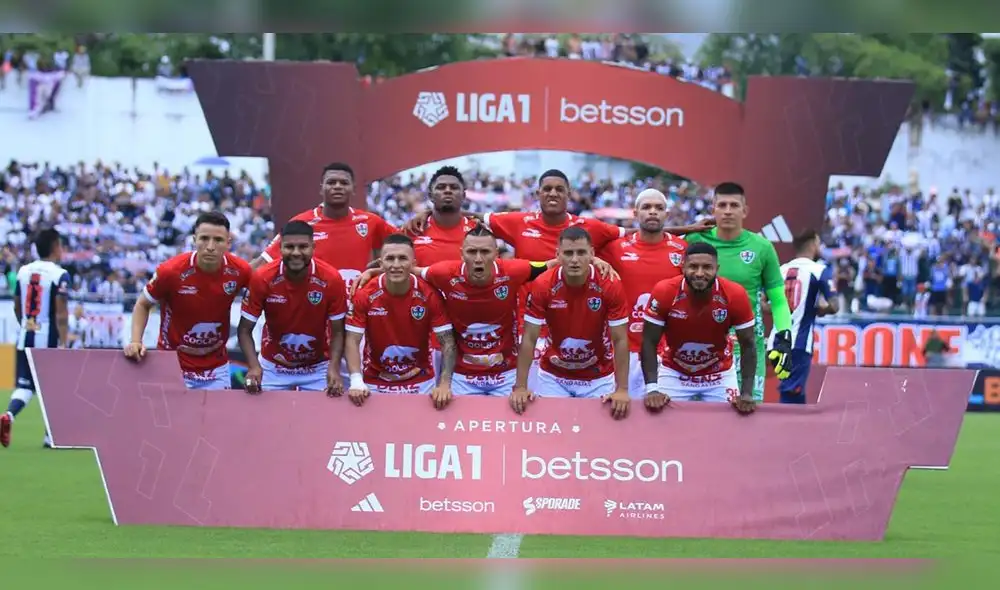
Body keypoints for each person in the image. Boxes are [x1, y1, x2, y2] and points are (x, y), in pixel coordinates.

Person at [685, 182, 793, 402]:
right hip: (701, 346)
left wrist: (784, 337)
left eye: (734, 205)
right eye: (722, 205)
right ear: (713, 209)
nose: (727, 211)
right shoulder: (693, 240)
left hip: (747, 346)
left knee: (747, 412)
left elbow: (778, 300)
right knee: (698, 417)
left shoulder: (762, 247)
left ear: (744, 211)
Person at [513, 226, 631, 419]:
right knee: (552, 431)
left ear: (592, 254)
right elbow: (529, 338)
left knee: (596, 433)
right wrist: (520, 387)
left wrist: (622, 389)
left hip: (598, 377)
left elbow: (620, 339)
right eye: (568, 253)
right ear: (558, 255)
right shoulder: (543, 284)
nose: (575, 260)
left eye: (581, 253)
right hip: (553, 377)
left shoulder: (609, 283)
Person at [125, 212, 253, 390]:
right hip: (171, 363)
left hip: (216, 369)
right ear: (194, 240)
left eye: (218, 240)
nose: (210, 246)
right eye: (204, 238)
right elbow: (142, 304)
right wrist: (135, 341)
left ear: (228, 243)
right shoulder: (170, 271)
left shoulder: (241, 271)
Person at [640, 242, 757, 414]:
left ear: (717, 269)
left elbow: (748, 344)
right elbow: (649, 341)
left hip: (719, 373)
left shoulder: (735, 294)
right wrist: (652, 389)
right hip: (674, 371)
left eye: (707, 267)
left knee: (730, 424)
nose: (700, 273)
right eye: (693, 267)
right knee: (660, 420)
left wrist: (746, 393)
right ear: (683, 267)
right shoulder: (665, 291)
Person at [345, 234, 456, 408]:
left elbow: (447, 341)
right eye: (390, 258)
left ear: (413, 263)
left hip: (421, 382)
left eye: (403, 258)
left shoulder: (430, 294)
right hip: (375, 382)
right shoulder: (364, 295)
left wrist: (444, 384)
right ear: (381, 264)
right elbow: (352, 340)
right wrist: (356, 380)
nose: (396, 265)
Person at [238, 221, 348, 393]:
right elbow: (244, 330)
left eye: (303, 247)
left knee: (327, 410)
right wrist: (253, 367)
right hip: (273, 366)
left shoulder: (331, 278)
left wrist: (334, 368)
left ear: (313, 247)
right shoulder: (262, 277)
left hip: (318, 368)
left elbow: (339, 332)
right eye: (289, 247)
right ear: (280, 248)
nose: (296, 253)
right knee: (260, 410)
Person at [598, 188, 687, 398]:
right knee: (620, 411)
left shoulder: (682, 249)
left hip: (666, 353)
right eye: (646, 207)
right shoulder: (615, 249)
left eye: (659, 208)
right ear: (635, 213)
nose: (653, 211)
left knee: (662, 413)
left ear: (667, 214)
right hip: (624, 351)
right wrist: (595, 259)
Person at [251, 163, 396, 291]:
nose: (337, 186)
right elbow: (261, 264)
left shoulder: (371, 221)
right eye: (331, 182)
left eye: (344, 183)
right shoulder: (301, 223)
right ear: (321, 188)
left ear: (353, 189)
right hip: (316, 306)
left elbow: (405, 244)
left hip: (356, 307)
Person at [1, 229, 70, 448]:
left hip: (25, 337)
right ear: (55, 247)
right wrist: (64, 342)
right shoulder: (59, 274)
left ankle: (9, 415)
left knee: (25, 385)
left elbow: (17, 305)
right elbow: (61, 313)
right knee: (56, 388)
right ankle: (50, 436)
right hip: (47, 341)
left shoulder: (23, 271)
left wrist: (26, 324)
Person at [410, 166, 478, 378]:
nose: (447, 191)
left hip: (467, 335)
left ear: (464, 195)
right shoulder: (413, 230)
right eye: (441, 187)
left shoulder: (479, 232)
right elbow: (392, 264)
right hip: (421, 333)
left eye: (453, 187)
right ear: (431, 195)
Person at [767, 230, 837, 404]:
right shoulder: (819, 270)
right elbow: (835, 306)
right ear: (813, 244)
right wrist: (820, 309)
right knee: (792, 395)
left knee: (793, 390)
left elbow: (763, 304)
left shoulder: (781, 270)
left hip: (775, 341)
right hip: (799, 343)